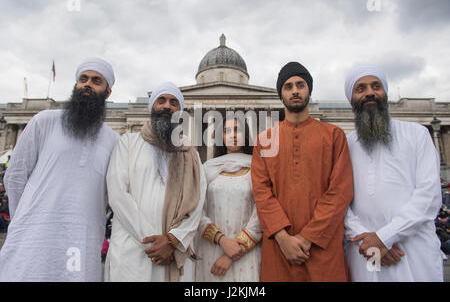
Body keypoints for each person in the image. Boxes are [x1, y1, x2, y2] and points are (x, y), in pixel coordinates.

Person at [0, 57, 119, 281]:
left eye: (96, 81)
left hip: (82, 236)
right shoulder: (44, 121)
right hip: (34, 233)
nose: (87, 85)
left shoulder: (113, 140)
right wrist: (23, 218)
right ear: (76, 85)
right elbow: (15, 176)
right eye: (83, 79)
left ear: (108, 92)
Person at [251, 62, 354, 282]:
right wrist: (282, 237)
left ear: (309, 90)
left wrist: (308, 237)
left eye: (300, 85)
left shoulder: (334, 135)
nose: (295, 91)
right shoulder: (264, 140)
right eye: (288, 87)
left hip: (321, 246)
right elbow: (261, 193)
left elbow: (340, 191)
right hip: (279, 248)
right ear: (281, 95)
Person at [343, 64, 443, 281]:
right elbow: (340, 201)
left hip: (412, 250)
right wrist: (366, 240)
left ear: (385, 93)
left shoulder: (417, 134)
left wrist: (385, 237)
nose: (370, 92)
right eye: (360, 88)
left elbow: (429, 196)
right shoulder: (345, 144)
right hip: (364, 252)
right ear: (351, 99)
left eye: (376, 86)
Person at [104, 82, 206, 282]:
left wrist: (173, 240)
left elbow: (198, 201)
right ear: (152, 107)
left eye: (174, 102)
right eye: (161, 100)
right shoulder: (128, 142)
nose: (167, 106)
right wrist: (156, 242)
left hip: (175, 250)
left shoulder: (190, 152)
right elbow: (117, 194)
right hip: (134, 249)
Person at [196, 116, 262, 281]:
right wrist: (222, 240)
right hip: (211, 249)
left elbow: (261, 212)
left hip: (247, 254)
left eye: (237, 130)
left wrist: (230, 254)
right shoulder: (207, 168)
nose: (233, 135)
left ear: (245, 135)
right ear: (221, 137)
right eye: (227, 131)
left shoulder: (258, 167)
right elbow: (197, 210)